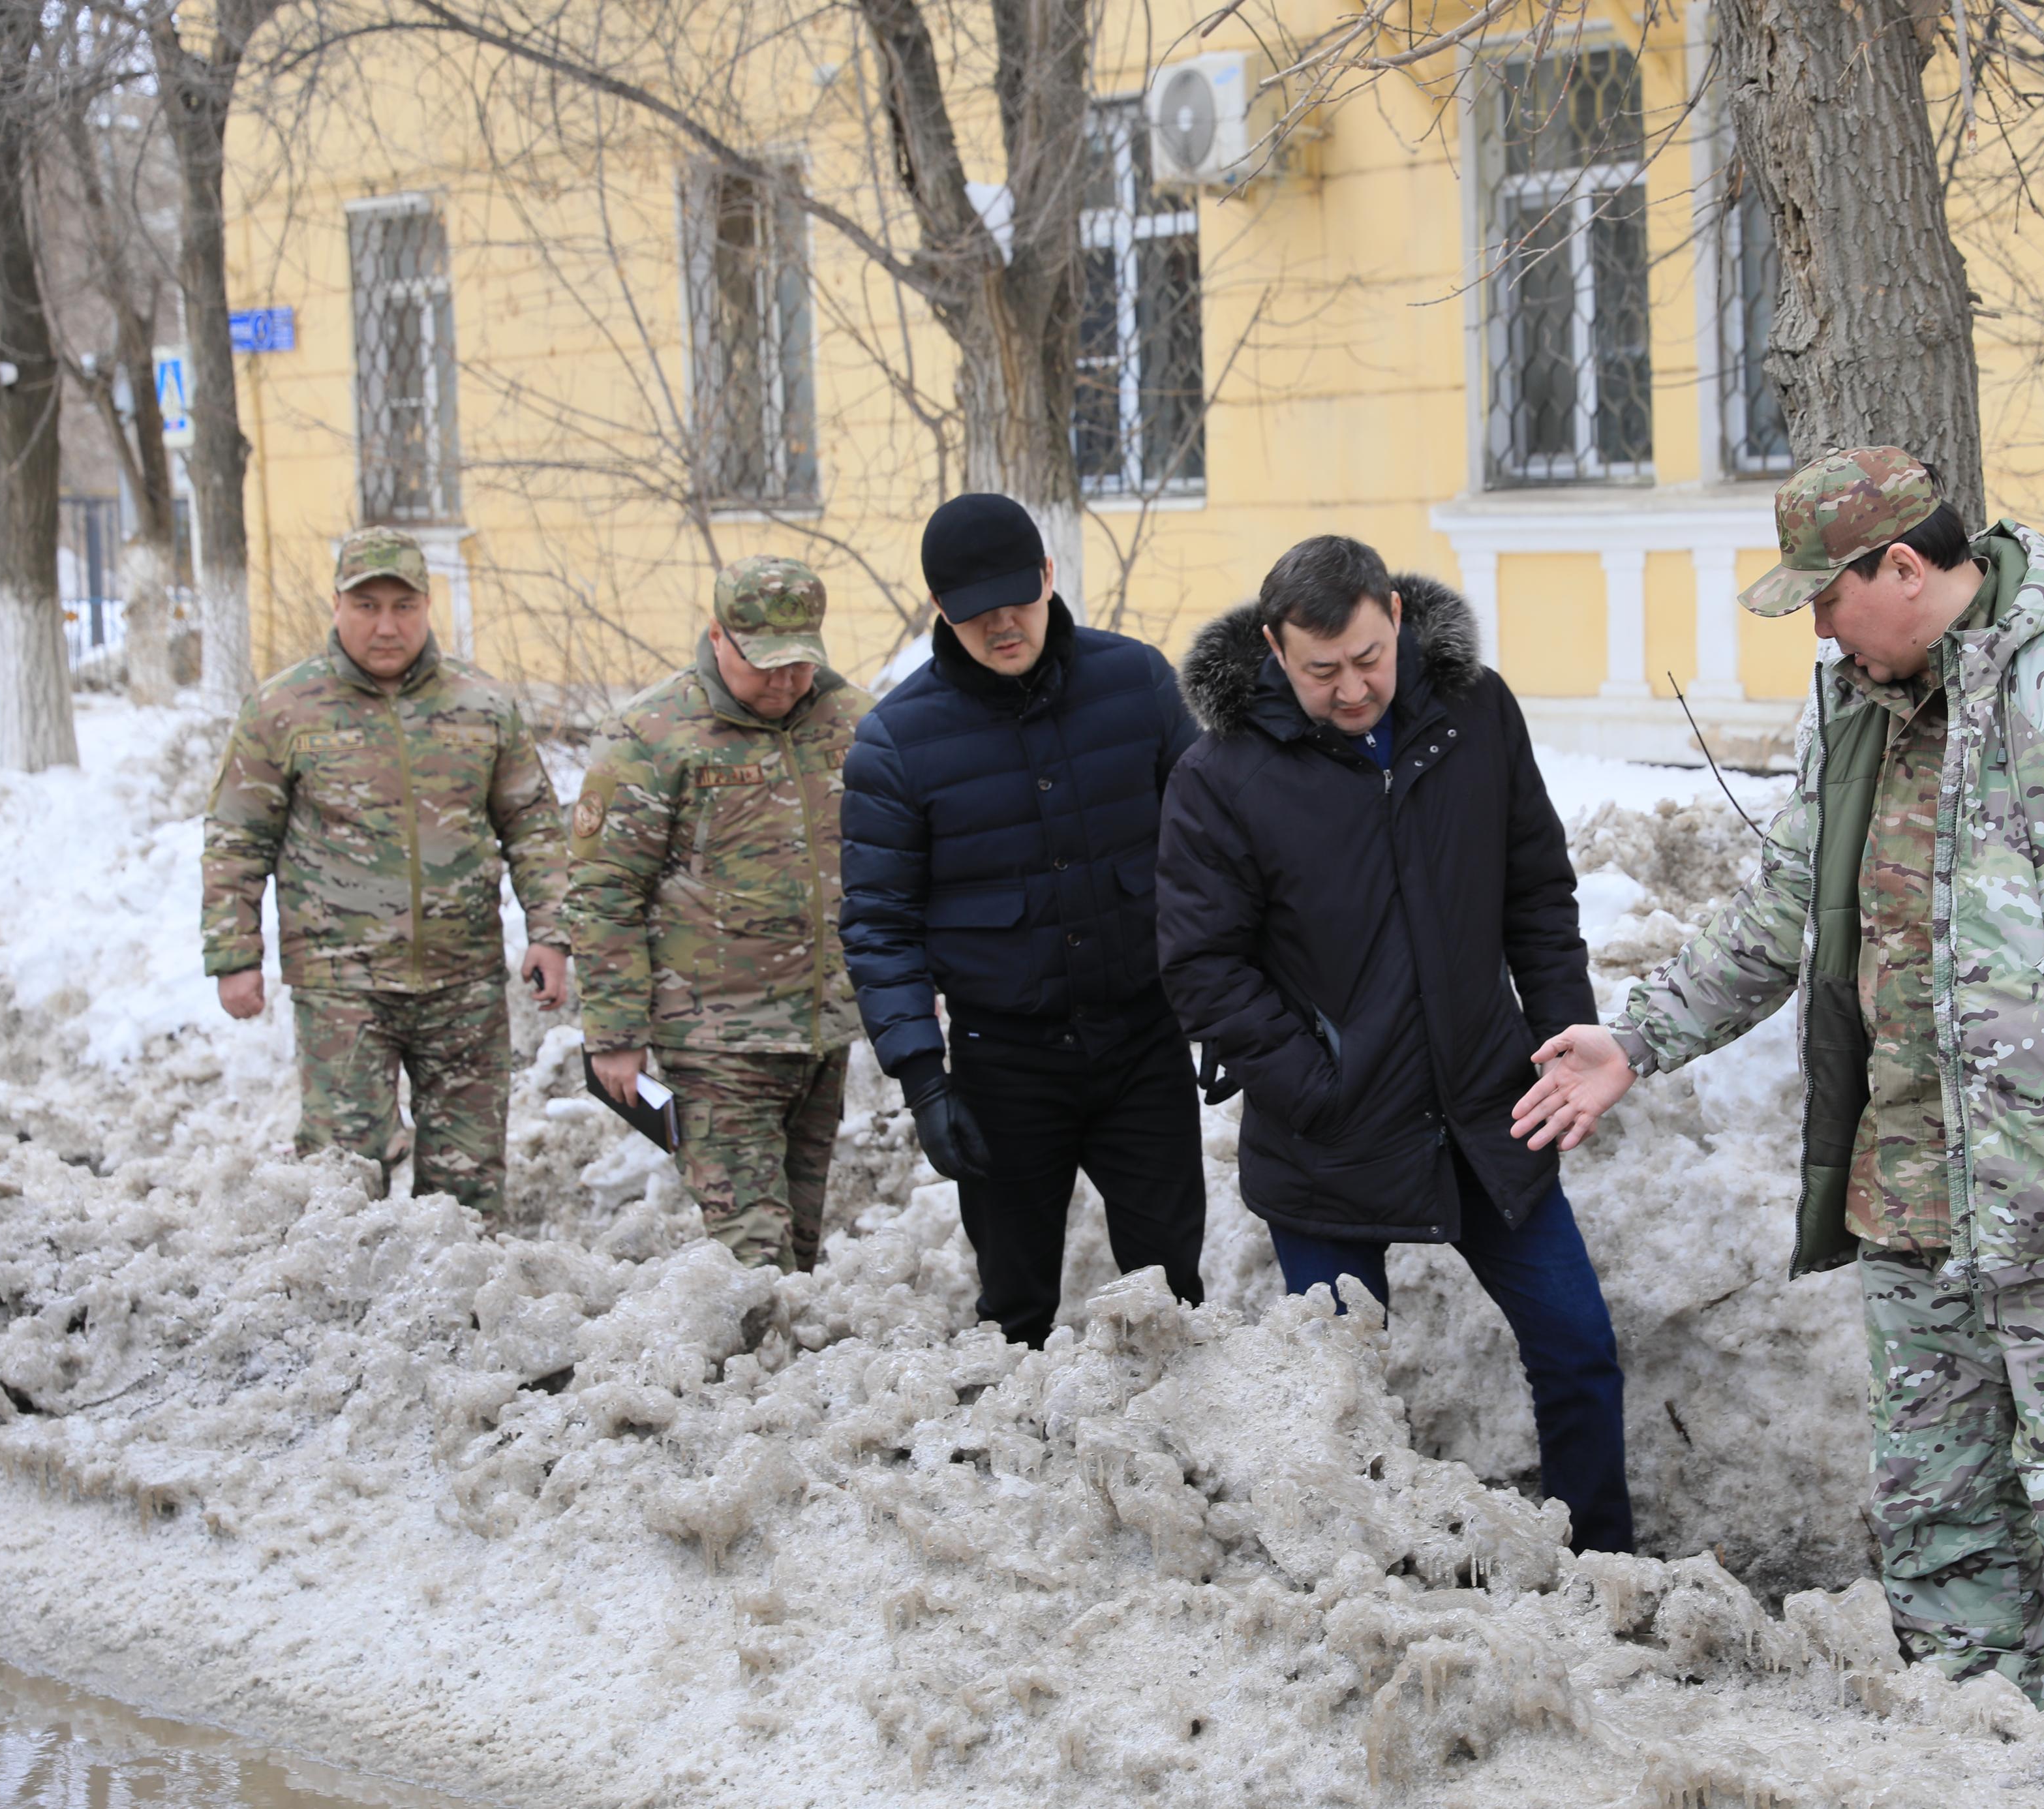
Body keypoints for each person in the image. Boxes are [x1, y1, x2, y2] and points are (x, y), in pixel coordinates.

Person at [1512, 448, 2044, 1740]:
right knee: (1936, 1508)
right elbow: (1784, 909)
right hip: (1911, 1183)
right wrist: (1637, 1040)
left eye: (1827, 597)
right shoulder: (1857, 709)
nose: (1815, 626)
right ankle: (1975, 1739)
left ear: (1905, 567)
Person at [1157, 534, 1632, 1555]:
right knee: (1340, 1392)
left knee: (1579, 1347)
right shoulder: (1223, 773)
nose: (1353, 687)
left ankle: (1605, 1567)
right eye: (1321, 669)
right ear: (1275, 649)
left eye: (1369, 657)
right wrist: (1317, 1082)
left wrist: (1561, 1042)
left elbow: (1537, 894)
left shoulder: (1475, 713)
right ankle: (1359, 1573)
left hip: (1488, 1110)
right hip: (1329, 1138)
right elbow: (1204, 968)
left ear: (1397, 618)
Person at [840, 493, 1206, 1347]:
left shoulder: (1138, 684)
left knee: (1170, 1288)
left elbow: (1209, 858)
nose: (1004, 626)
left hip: (1142, 1042)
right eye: (976, 614)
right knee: (1015, 1307)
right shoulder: (895, 744)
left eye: (1019, 600)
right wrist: (925, 1083)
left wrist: (1224, 994)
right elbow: (880, 926)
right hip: (1006, 1066)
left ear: (1049, 576)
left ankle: (1176, 1452)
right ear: (940, 610)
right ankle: (1014, 1462)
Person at [202, 526, 570, 1214]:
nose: (385, 625)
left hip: (463, 986)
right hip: (343, 988)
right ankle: (345, 1316)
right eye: (366, 606)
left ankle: (462, 1317)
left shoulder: (481, 706)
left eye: (402, 606)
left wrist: (550, 930)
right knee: (342, 1178)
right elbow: (236, 837)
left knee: (468, 1184)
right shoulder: (284, 710)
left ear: (427, 606)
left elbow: (534, 825)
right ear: (336, 607)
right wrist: (233, 954)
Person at [570, 556, 868, 1273]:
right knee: (752, 1250)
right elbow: (604, 889)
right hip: (714, 1039)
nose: (783, 681)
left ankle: (784, 1377)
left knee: (798, 1235)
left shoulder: (853, 721)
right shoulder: (652, 735)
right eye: (764, 664)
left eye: (798, 664)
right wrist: (613, 1033)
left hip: (822, 1028)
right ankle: (760, 1362)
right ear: (716, 636)